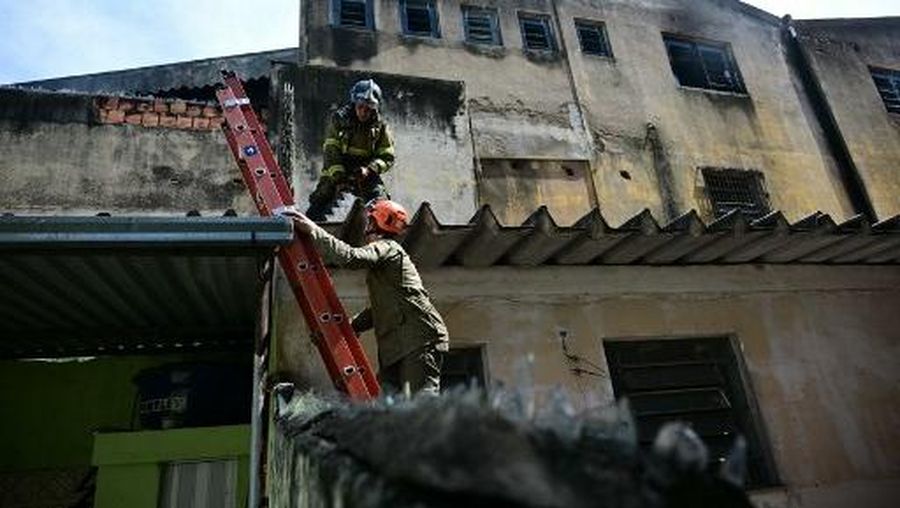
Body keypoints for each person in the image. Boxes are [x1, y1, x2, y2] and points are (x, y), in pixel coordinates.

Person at [286, 199, 448, 395]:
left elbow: (350, 257)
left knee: (422, 401)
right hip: (399, 345)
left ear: (374, 223)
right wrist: (349, 327)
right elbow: (382, 309)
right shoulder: (388, 261)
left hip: (418, 339)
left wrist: (312, 228)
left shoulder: (388, 248)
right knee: (386, 405)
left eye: (369, 222)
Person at [306, 79, 396, 221]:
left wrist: (370, 169)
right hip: (339, 168)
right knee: (320, 200)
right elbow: (331, 151)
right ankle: (308, 231)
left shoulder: (381, 127)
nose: (363, 112)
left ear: (374, 108)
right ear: (354, 103)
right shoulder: (339, 120)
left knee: (381, 203)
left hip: (366, 171)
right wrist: (339, 177)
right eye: (360, 107)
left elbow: (387, 156)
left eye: (368, 109)